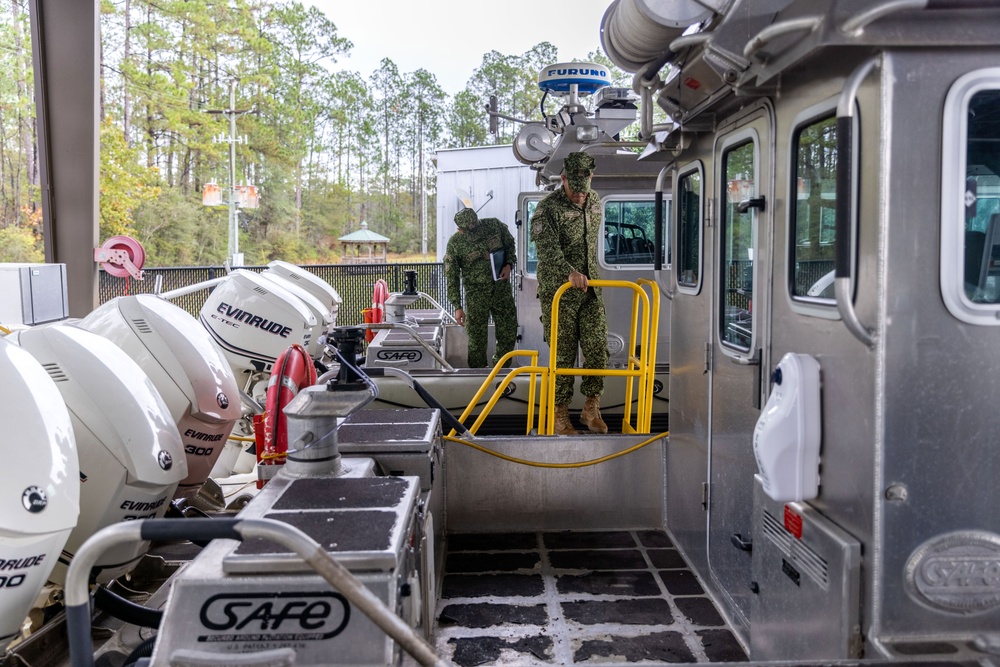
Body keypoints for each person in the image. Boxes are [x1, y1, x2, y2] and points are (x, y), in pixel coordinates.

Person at [530, 152, 609, 435]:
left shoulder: (595, 202)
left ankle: (591, 408)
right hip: (560, 292)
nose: (579, 194)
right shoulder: (547, 208)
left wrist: (584, 277)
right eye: (573, 188)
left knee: (598, 347)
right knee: (563, 355)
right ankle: (560, 415)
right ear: (563, 179)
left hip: (590, 291)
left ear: (591, 177)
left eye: (583, 187)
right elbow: (547, 249)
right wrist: (569, 272)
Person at [444, 207, 518, 368]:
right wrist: (457, 306)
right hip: (476, 296)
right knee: (477, 339)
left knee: (508, 332)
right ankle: (478, 376)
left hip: (501, 290)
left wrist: (509, 264)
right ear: (460, 230)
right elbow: (452, 277)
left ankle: (502, 371)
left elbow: (510, 244)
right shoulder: (455, 244)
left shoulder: (494, 225)